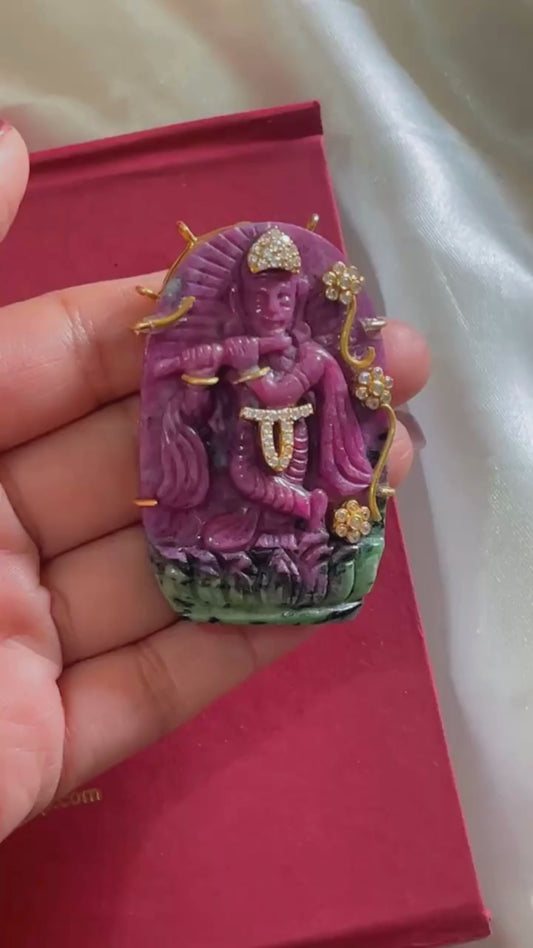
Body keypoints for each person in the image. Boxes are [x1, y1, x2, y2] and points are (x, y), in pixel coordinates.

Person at [0, 123, 430, 841]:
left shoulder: (312, 358)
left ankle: (305, 525)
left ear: (298, 301)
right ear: (243, 301)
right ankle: (276, 529)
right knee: (239, 504)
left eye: (283, 302)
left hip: (294, 454)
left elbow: (305, 409)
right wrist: (206, 373)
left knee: (287, 504)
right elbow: (194, 404)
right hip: (245, 460)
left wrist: (256, 372)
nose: (272, 311)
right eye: (259, 301)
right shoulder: (236, 344)